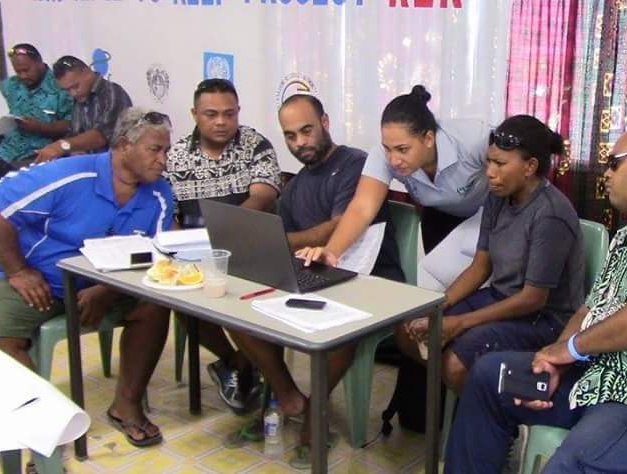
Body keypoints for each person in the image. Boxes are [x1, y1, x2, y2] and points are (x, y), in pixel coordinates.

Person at [444, 124, 627, 474]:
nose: (606, 174)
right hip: (599, 380)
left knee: (571, 464)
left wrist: (571, 348)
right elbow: (592, 308)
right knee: (487, 377)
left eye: (615, 164)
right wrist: (556, 361)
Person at [0, 107, 176, 448]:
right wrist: (18, 271)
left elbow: (152, 253)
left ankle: (127, 405)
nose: (164, 160)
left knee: (154, 305)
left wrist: (106, 291)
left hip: (103, 286)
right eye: (155, 150)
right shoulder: (70, 174)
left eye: (167, 151)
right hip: (38, 280)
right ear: (124, 145)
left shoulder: (158, 194)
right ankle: (44, 429)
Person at [229, 93, 405, 468]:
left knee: (338, 321)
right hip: (315, 275)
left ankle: (315, 411)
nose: (300, 143)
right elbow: (291, 239)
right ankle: (289, 396)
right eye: (290, 136)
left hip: (367, 277)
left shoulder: (357, 164)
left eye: (306, 130)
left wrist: (275, 241)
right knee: (236, 310)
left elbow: (338, 227)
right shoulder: (295, 187)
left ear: (325, 122)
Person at [397, 115, 584, 393]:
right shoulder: (497, 196)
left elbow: (533, 299)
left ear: (530, 167)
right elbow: (480, 267)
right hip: (501, 298)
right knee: (407, 331)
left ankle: (494, 416)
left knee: (455, 362)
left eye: (500, 164)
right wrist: (439, 307)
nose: (490, 172)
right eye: (489, 161)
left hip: (544, 319)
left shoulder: (550, 214)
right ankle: (471, 400)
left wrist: (459, 323)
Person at [164, 78, 281, 413]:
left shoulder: (255, 144)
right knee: (183, 297)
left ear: (238, 112)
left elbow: (262, 196)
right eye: (211, 114)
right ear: (194, 114)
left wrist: (220, 238)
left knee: (235, 297)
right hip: (193, 255)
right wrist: (180, 254)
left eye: (229, 114)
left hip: (249, 251)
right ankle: (234, 361)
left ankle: (249, 365)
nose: (220, 121)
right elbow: (170, 214)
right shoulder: (175, 157)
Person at [297, 84, 490, 265]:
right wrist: (331, 252)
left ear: (429, 138)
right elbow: (362, 208)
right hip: (440, 216)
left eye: (403, 149)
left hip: (489, 214)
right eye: (388, 148)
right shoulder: (383, 154)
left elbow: (515, 163)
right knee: (448, 288)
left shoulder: (473, 139)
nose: (394, 160)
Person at [0, 44, 73, 259]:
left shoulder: (58, 85)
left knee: (7, 189)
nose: (23, 75)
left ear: (40, 62)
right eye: (18, 71)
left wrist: (41, 127)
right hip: (8, 147)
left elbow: (70, 124)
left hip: (38, 150)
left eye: (27, 69)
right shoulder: (10, 86)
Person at [36, 55, 133, 163]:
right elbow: (74, 134)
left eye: (75, 86)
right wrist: (73, 150)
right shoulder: (80, 98)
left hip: (116, 167)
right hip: (90, 164)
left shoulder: (112, 93)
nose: (73, 93)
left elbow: (100, 137)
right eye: (67, 90)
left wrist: (63, 145)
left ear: (87, 73)